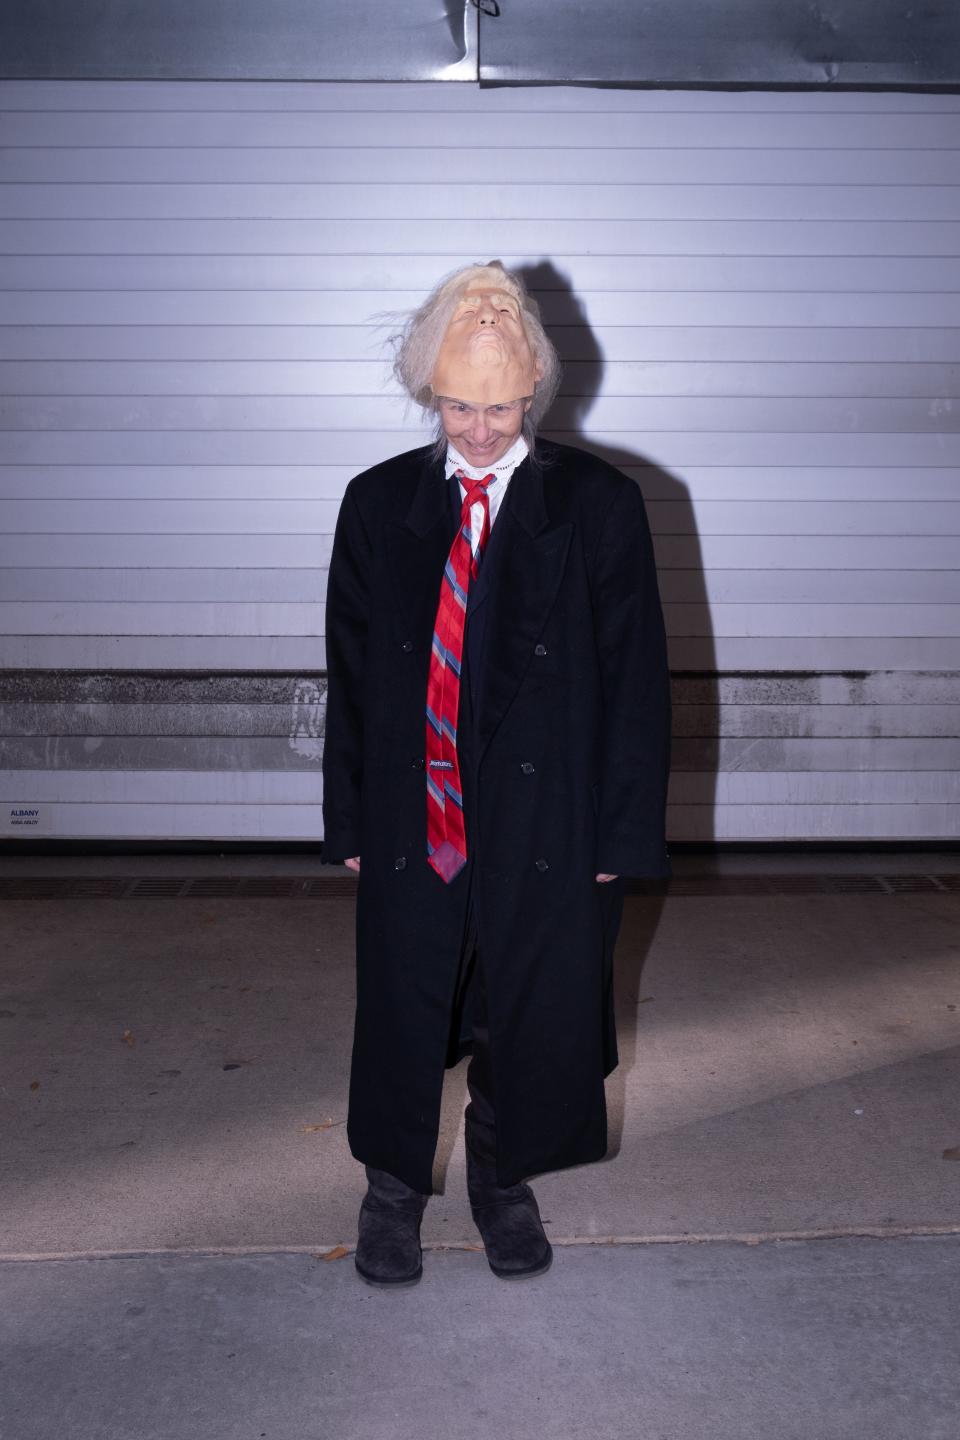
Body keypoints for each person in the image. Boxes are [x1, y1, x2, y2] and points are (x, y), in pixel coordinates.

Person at [322, 260, 671, 1287]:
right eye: (460, 406)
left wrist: (621, 837)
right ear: (431, 395)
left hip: (546, 818)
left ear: (535, 397)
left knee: (533, 1003)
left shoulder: (599, 507)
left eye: (502, 408)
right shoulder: (378, 503)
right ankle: (391, 1187)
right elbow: (348, 673)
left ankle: (501, 1174)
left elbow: (638, 684)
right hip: (412, 813)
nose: (480, 431)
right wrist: (348, 816)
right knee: (400, 1003)